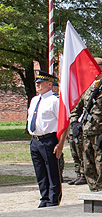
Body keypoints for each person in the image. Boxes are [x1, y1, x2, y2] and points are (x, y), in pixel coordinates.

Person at [72, 58, 102, 192]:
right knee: (88, 166)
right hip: (87, 133)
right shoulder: (88, 88)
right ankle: (93, 191)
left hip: (101, 134)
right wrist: (74, 124)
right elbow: (76, 108)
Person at [26, 71, 65, 207]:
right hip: (35, 140)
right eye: (36, 83)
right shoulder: (35, 100)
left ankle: (53, 200)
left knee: (52, 171)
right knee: (40, 171)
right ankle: (44, 197)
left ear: (49, 84)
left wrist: (60, 144)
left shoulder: (54, 101)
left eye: (40, 83)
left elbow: (63, 123)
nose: (37, 85)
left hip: (49, 140)